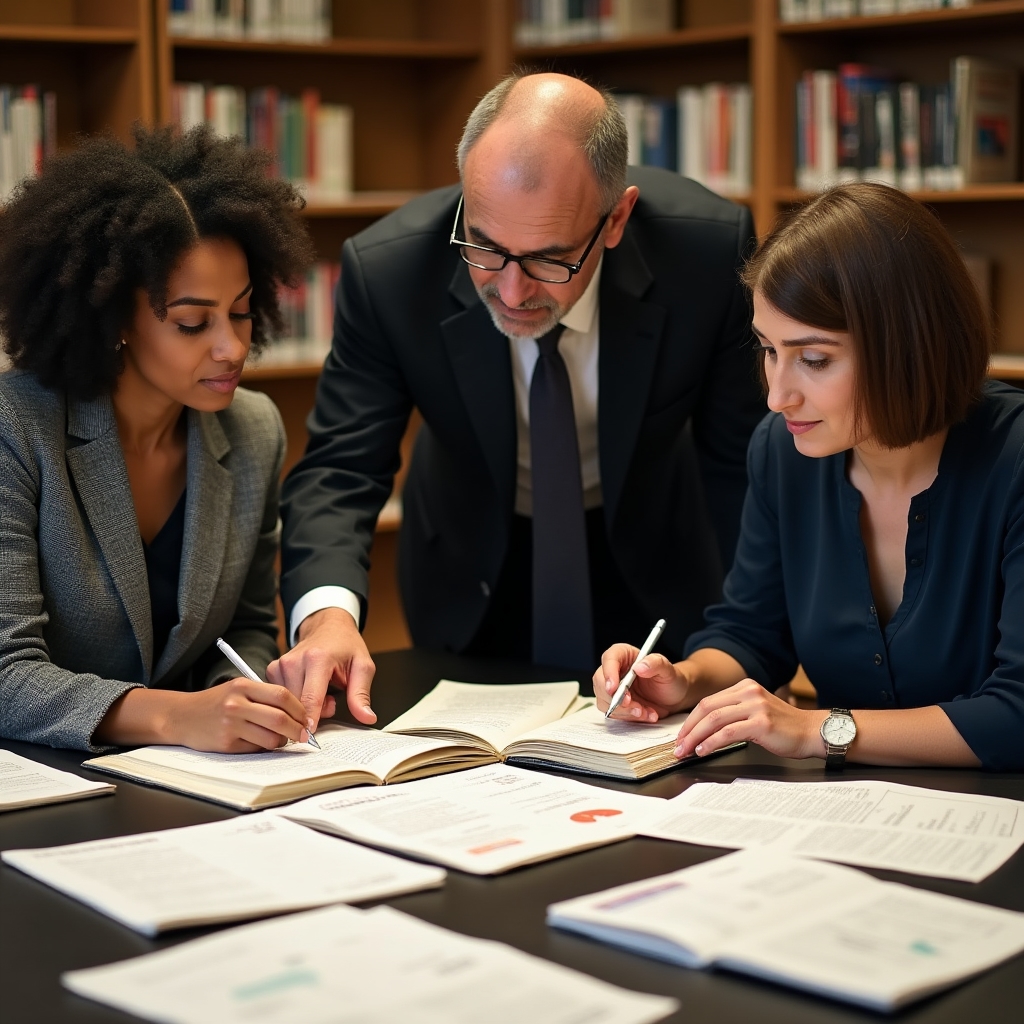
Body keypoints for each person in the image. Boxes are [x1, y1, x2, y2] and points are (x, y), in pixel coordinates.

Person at [273, 72, 765, 730]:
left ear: (615, 218)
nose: (509, 292)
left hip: (654, 565)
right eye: (485, 247)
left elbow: (743, 462)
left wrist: (750, 635)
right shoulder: (389, 272)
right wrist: (328, 616)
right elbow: (341, 467)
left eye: (549, 260)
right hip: (472, 564)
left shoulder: (706, 254)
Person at [595, 181, 1024, 771]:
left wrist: (818, 730)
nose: (776, 396)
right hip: (843, 816)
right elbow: (751, 634)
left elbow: (1017, 714)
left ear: (908, 345)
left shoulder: (1014, 460)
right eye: (769, 349)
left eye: (814, 359)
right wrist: (685, 680)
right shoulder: (783, 450)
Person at [0, 125, 330, 753]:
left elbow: (250, 628)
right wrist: (177, 716)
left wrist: (249, 696)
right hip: (46, 782)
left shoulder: (254, 430)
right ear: (115, 319)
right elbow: (5, 673)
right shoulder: (16, 428)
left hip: (195, 781)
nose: (232, 347)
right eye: (191, 322)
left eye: (239, 311)